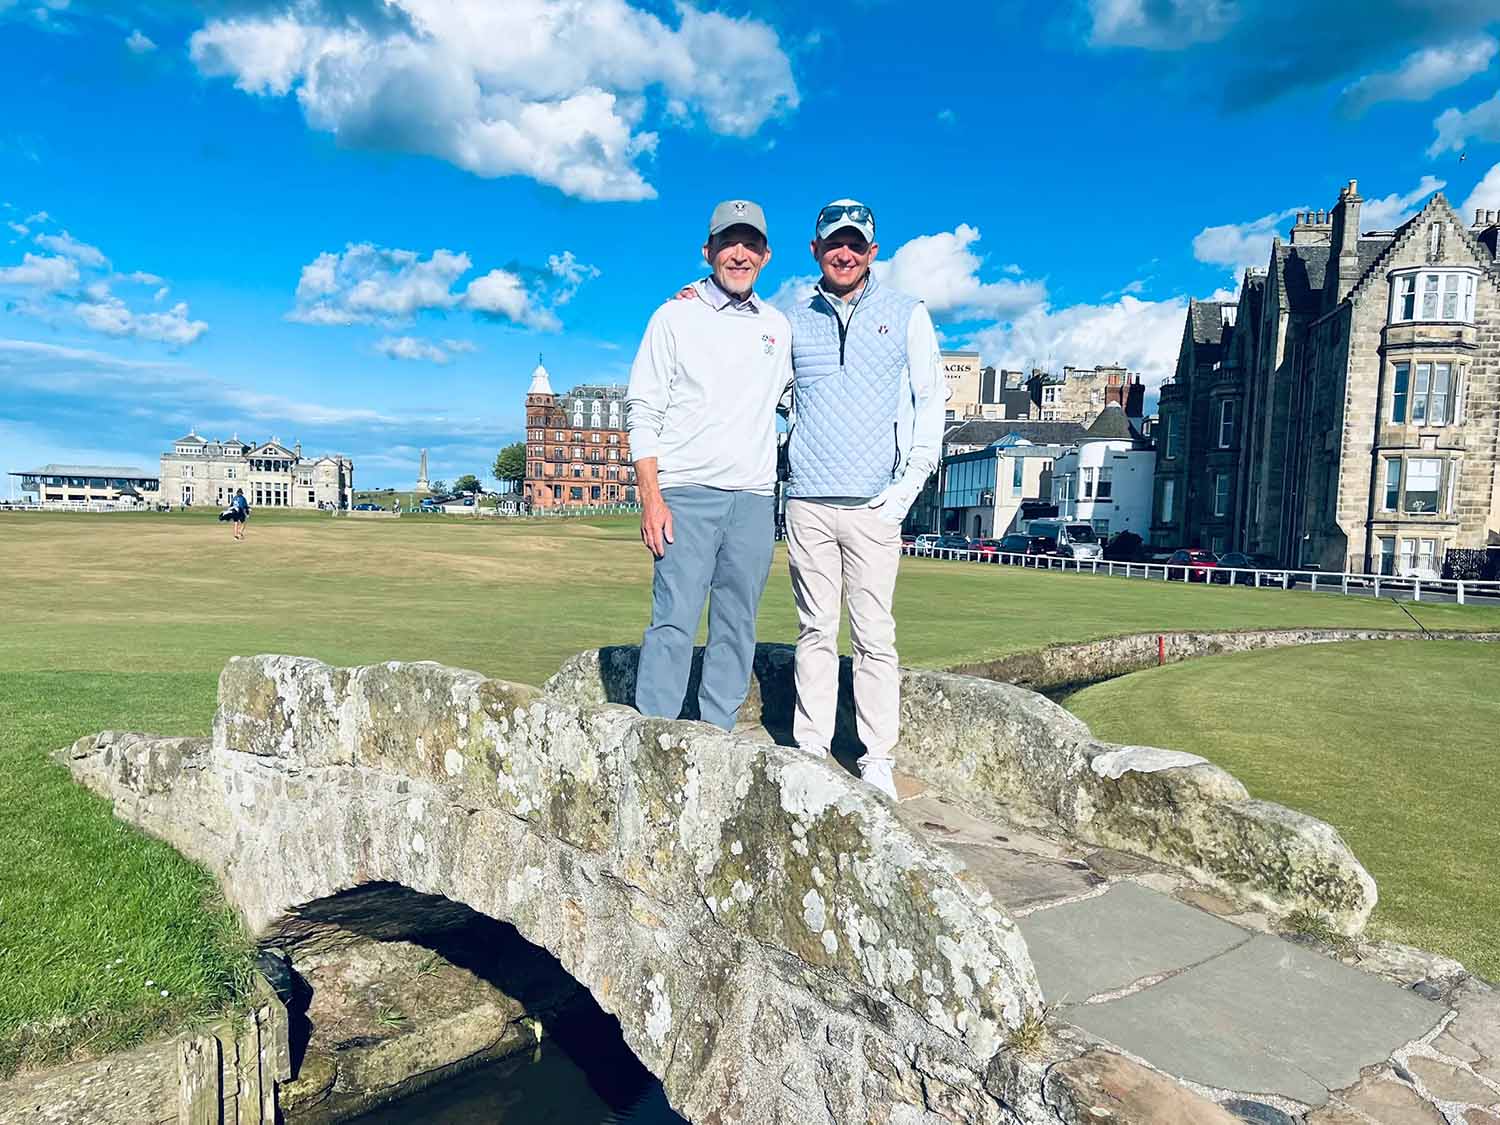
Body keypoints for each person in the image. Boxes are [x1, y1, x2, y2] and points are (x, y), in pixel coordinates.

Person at [781, 199, 945, 798]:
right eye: (834, 244)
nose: (844, 253)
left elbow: (931, 403)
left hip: (875, 503)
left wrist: (902, 495)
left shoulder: (907, 313)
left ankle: (877, 757)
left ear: (872, 251)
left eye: (855, 244)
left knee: (874, 635)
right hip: (808, 501)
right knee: (814, 631)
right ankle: (811, 746)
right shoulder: (791, 320)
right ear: (816, 250)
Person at [626, 199, 792, 731]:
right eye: (728, 243)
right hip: (685, 493)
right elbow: (642, 409)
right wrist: (652, 498)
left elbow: (802, 395)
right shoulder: (673, 316)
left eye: (750, 244)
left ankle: (716, 736)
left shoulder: (778, 326)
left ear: (765, 255)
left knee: (736, 625)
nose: (739, 254)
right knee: (673, 622)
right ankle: (655, 737)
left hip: (754, 498)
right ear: (708, 251)